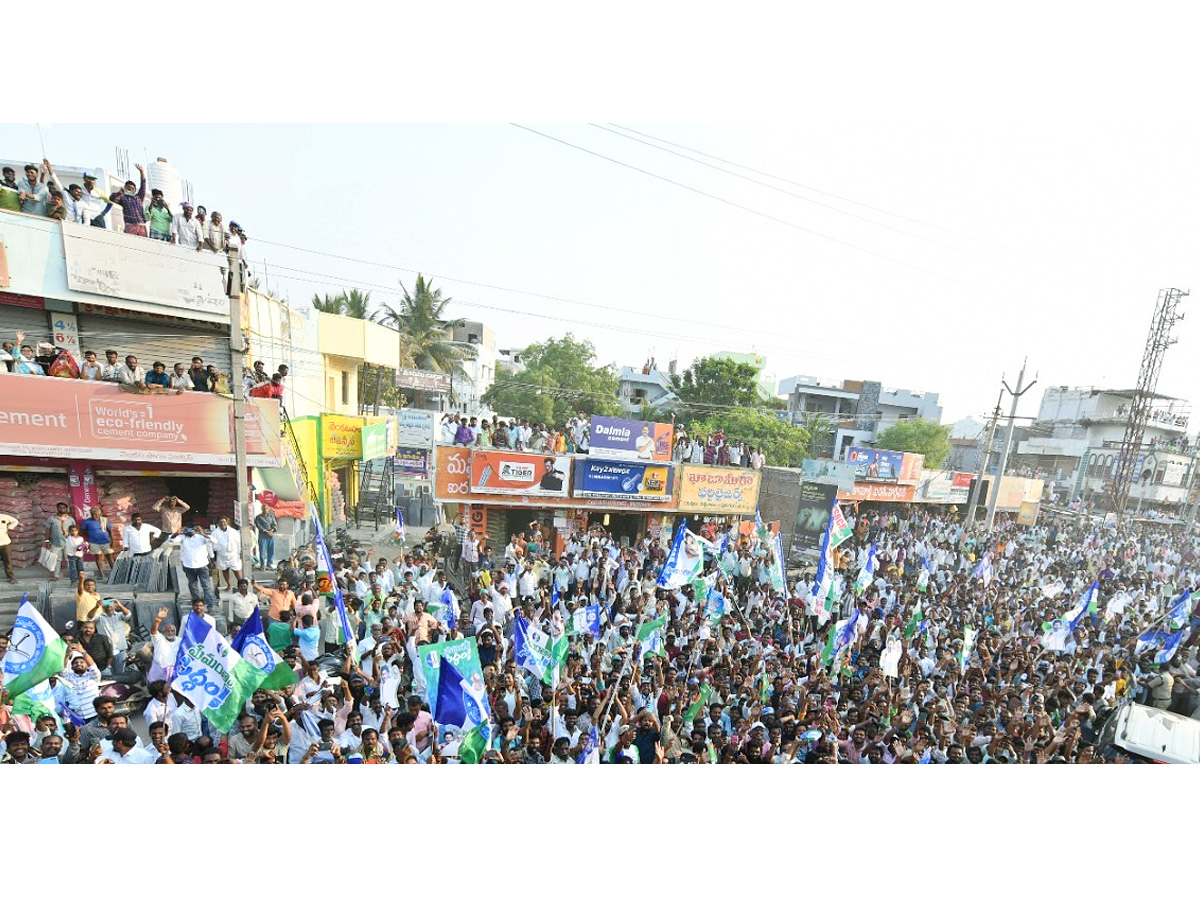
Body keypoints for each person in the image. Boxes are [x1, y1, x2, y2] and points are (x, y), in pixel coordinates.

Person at [172, 526, 216, 606]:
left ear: (195, 530)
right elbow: (171, 541)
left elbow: (214, 541)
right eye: (188, 531)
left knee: (206, 586)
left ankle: (210, 604)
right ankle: (197, 603)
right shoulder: (182, 538)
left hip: (202, 565)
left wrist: (202, 533)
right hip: (188, 566)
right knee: (193, 586)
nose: (190, 532)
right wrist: (176, 533)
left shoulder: (201, 537)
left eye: (192, 530)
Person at [109, 163, 148, 236]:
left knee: (144, 245)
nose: (130, 189)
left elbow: (143, 184)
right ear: (125, 188)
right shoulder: (123, 197)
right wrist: (119, 193)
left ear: (135, 190)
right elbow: (112, 198)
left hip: (142, 226)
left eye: (132, 188)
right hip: (130, 226)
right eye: (128, 188)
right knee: (130, 243)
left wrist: (141, 171)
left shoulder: (139, 197)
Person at [44, 502, 76, 580]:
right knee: (56, 560)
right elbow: (48, 530)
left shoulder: (70, 519)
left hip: (68, 543)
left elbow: (75, 531)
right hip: (56, 543)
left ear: (66, 509)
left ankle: (73, 575)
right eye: (60, 508)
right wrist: (47, 541)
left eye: (64, 508)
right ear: (57, 508)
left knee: (70, 559)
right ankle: (56, 576)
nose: (62, 509)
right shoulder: (52, 519)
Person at [211, 516, 243, 589]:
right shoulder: (214, 533)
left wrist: (240, 552)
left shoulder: (233, 531)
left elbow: (238, 542)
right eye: (221, 522)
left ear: (226, 522)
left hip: (233, 554)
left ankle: (241, 584)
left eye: (224, 522)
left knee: (236, 570)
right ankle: (229, 584)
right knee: (224, 570)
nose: (223, 523)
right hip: (222, 555)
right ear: (218, 523)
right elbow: (212, 544)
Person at [0, 510, 19, 583]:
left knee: (7, 561)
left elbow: (15, 521)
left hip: (5, 543)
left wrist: (9, 527)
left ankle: (11, 578)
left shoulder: (4, 517)